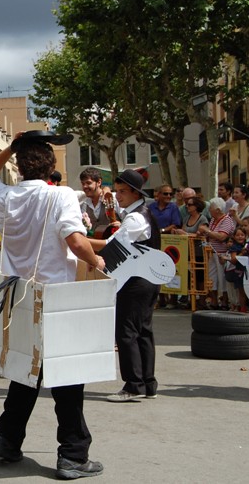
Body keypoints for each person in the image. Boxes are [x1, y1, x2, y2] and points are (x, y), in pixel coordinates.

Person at [0, 131, 106, 480]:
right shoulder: (61, 194)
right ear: (51, 166)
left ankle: (7, 438)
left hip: (16, 295)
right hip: (54, 296)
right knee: (68, 375)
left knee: (26, 369)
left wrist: (11, 147)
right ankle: (73, 455)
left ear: (19, 167)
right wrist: (98, 262)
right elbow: (77, 243)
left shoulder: (3, 196)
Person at [88, 170, 161, 403]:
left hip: (138, 280)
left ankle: (133, 384)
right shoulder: (137, 213)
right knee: (142, 331)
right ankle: (147, 383)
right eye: (117, 191)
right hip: (144, 278)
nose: (118, 196)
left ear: (134, 193)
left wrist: (77, 240)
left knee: (126, 331)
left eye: (122, 192)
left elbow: (112, 245)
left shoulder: (137, 217)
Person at [198, 198, 236, 310]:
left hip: (222, 253)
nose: (209, 210)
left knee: (222, 277)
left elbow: (221, 236)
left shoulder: (227, 220)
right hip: (212, 251)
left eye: (211, 208)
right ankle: (214, 301)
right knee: (212, 277)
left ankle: (224, 301)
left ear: (218, 210)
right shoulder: (213, 220)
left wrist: (206, 231)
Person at [77, 167, 118, 238]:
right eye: (83, 183)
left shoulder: (113, 198)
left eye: (88, 183)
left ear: (99, 182)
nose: (85, 186)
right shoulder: (83, 203)